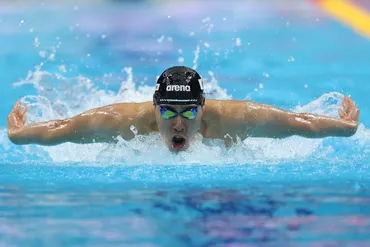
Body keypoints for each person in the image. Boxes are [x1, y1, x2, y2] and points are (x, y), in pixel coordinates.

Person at [7, 66, 360, 152]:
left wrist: (344, 126)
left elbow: (298, 122)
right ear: (154, 107)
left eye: (189, 112)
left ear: (203, 108)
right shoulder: (121, 123)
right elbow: (63, 129)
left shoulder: (237, 119)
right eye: (169, 111)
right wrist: (19, 135)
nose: (178, 123)